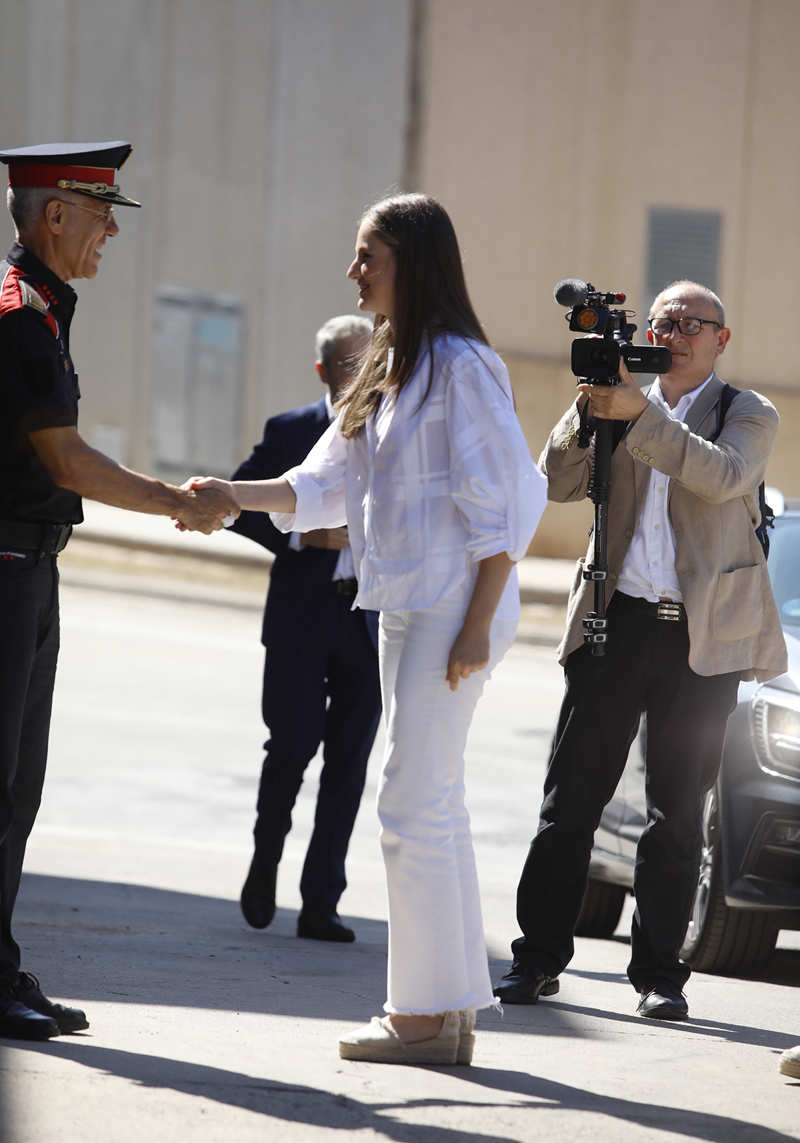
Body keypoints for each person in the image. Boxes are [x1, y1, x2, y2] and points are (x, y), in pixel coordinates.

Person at [189, 193, 547, 1065]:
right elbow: (321, 482)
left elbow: (509, 502)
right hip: (407, 607)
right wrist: (230, 494)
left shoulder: (462, 364)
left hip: (452, 608)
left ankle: (419, 1017)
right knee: (435, 803)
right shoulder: (393, 361)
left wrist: (474, 624)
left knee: (407, 802)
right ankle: (452, 1010)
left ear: (413, 262)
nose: (354, 274)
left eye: (368, 257)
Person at [494, 280, 787, 1021]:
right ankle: (536, 960)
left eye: (694, 322)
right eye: (663, 321)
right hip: (613, 624)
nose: (677, 332)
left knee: (677, 813)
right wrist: (588, 407)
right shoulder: (616, 395)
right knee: (570, 804)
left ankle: (660, 973)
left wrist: (641, 414)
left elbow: (722, 476)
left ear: (722, 338)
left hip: (702, 636)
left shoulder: (747, 412)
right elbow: (557, 483)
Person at [0, 141, 237, 1041]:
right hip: (9, 563)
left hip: (31, 562)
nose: (109, 233)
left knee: (18, 784)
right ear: (53, 214)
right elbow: (63, 457)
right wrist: (172, 500)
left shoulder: (43, 312)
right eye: (101, 215)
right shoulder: (20, 314)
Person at [231, 314, 381, 943]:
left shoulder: (393, 431)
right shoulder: (292, 429)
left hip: (368, 623)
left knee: (348, 766)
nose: (361, 375)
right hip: (300, 616)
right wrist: (303, 535)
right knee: (291, 746)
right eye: (348, 365)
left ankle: (321, 901)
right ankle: (266, 863)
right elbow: (241, 501)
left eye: (368, 361)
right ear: (323, 370)